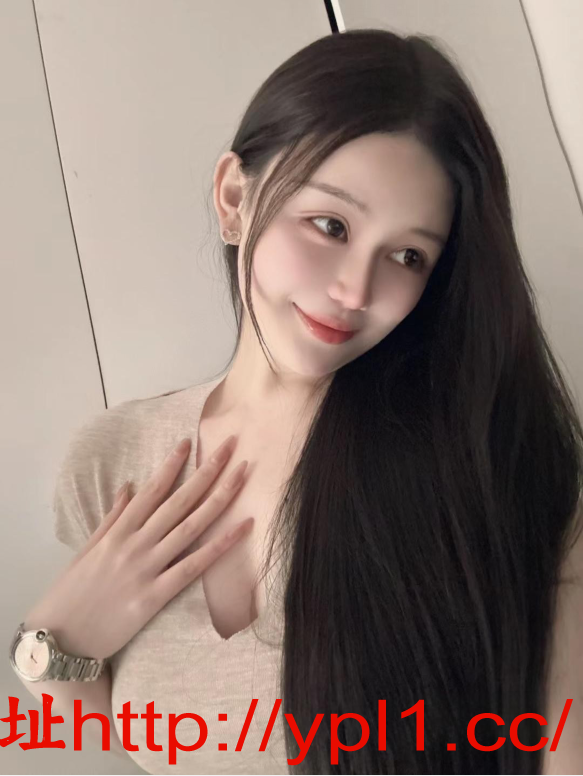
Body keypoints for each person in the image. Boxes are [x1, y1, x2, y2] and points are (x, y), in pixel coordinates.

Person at [11, 28, 583, 775]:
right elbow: (125, 744)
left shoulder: (492, 465)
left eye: (407, 255)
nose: (354, 290)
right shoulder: (111, 462)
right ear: (235, 198)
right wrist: (52, 646)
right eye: (330, 225)